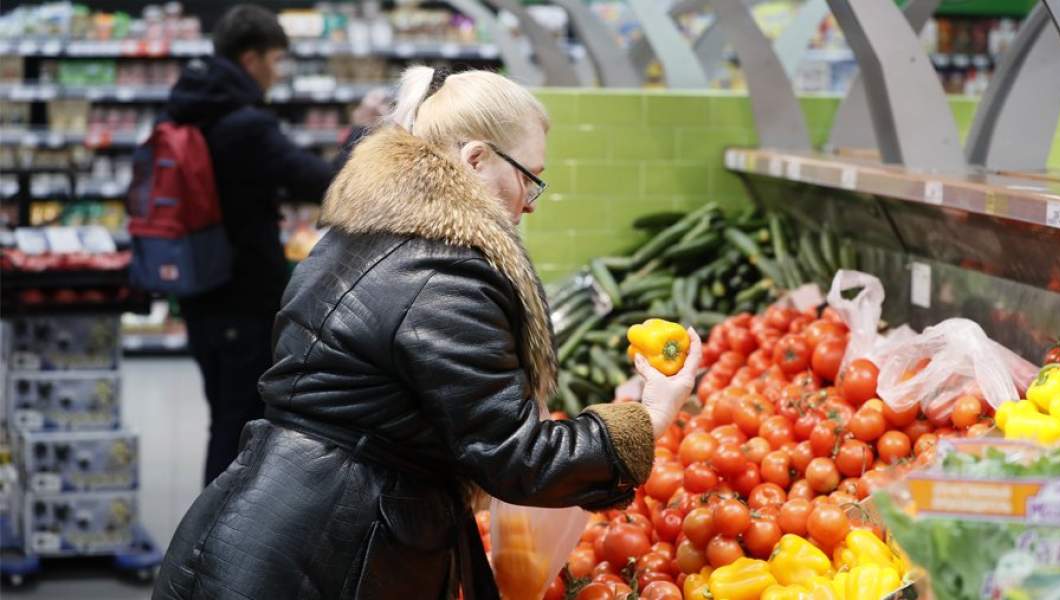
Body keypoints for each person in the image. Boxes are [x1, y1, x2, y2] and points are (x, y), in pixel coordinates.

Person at [153, 66, 702, 600]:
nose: (531, 200)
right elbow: (516, 456)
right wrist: (649, 417)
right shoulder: (445, 276)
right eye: (530, 177)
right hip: (327, 551)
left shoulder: (367, 232)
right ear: (476, 159)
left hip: (274, 522)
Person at [163, 5, 381, 485]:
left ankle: (215, 531)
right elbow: (328, 185)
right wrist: (362, 130)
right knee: (237, 422)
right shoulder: (244, 125)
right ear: (251, 59)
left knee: (223, 411)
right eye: (276, 60)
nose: (279, 73)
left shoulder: (189, 108)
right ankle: (217, 538)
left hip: (200, 289)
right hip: (241, 293)